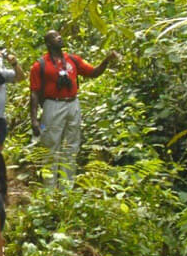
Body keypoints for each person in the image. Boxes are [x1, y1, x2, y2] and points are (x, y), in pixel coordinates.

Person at [29, 29, 121, 190]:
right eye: (55, 37)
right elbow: (34, 93)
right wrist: (34, 119)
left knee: (71, 146)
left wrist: (106, 60)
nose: (59, 37)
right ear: (49, 43)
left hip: (73, 104)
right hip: (52, 105)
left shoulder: (73, 60)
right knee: (50, 146)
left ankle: (66, 189)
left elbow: (93, 73)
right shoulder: (40, 65)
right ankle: (49, 191)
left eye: (59, 35)